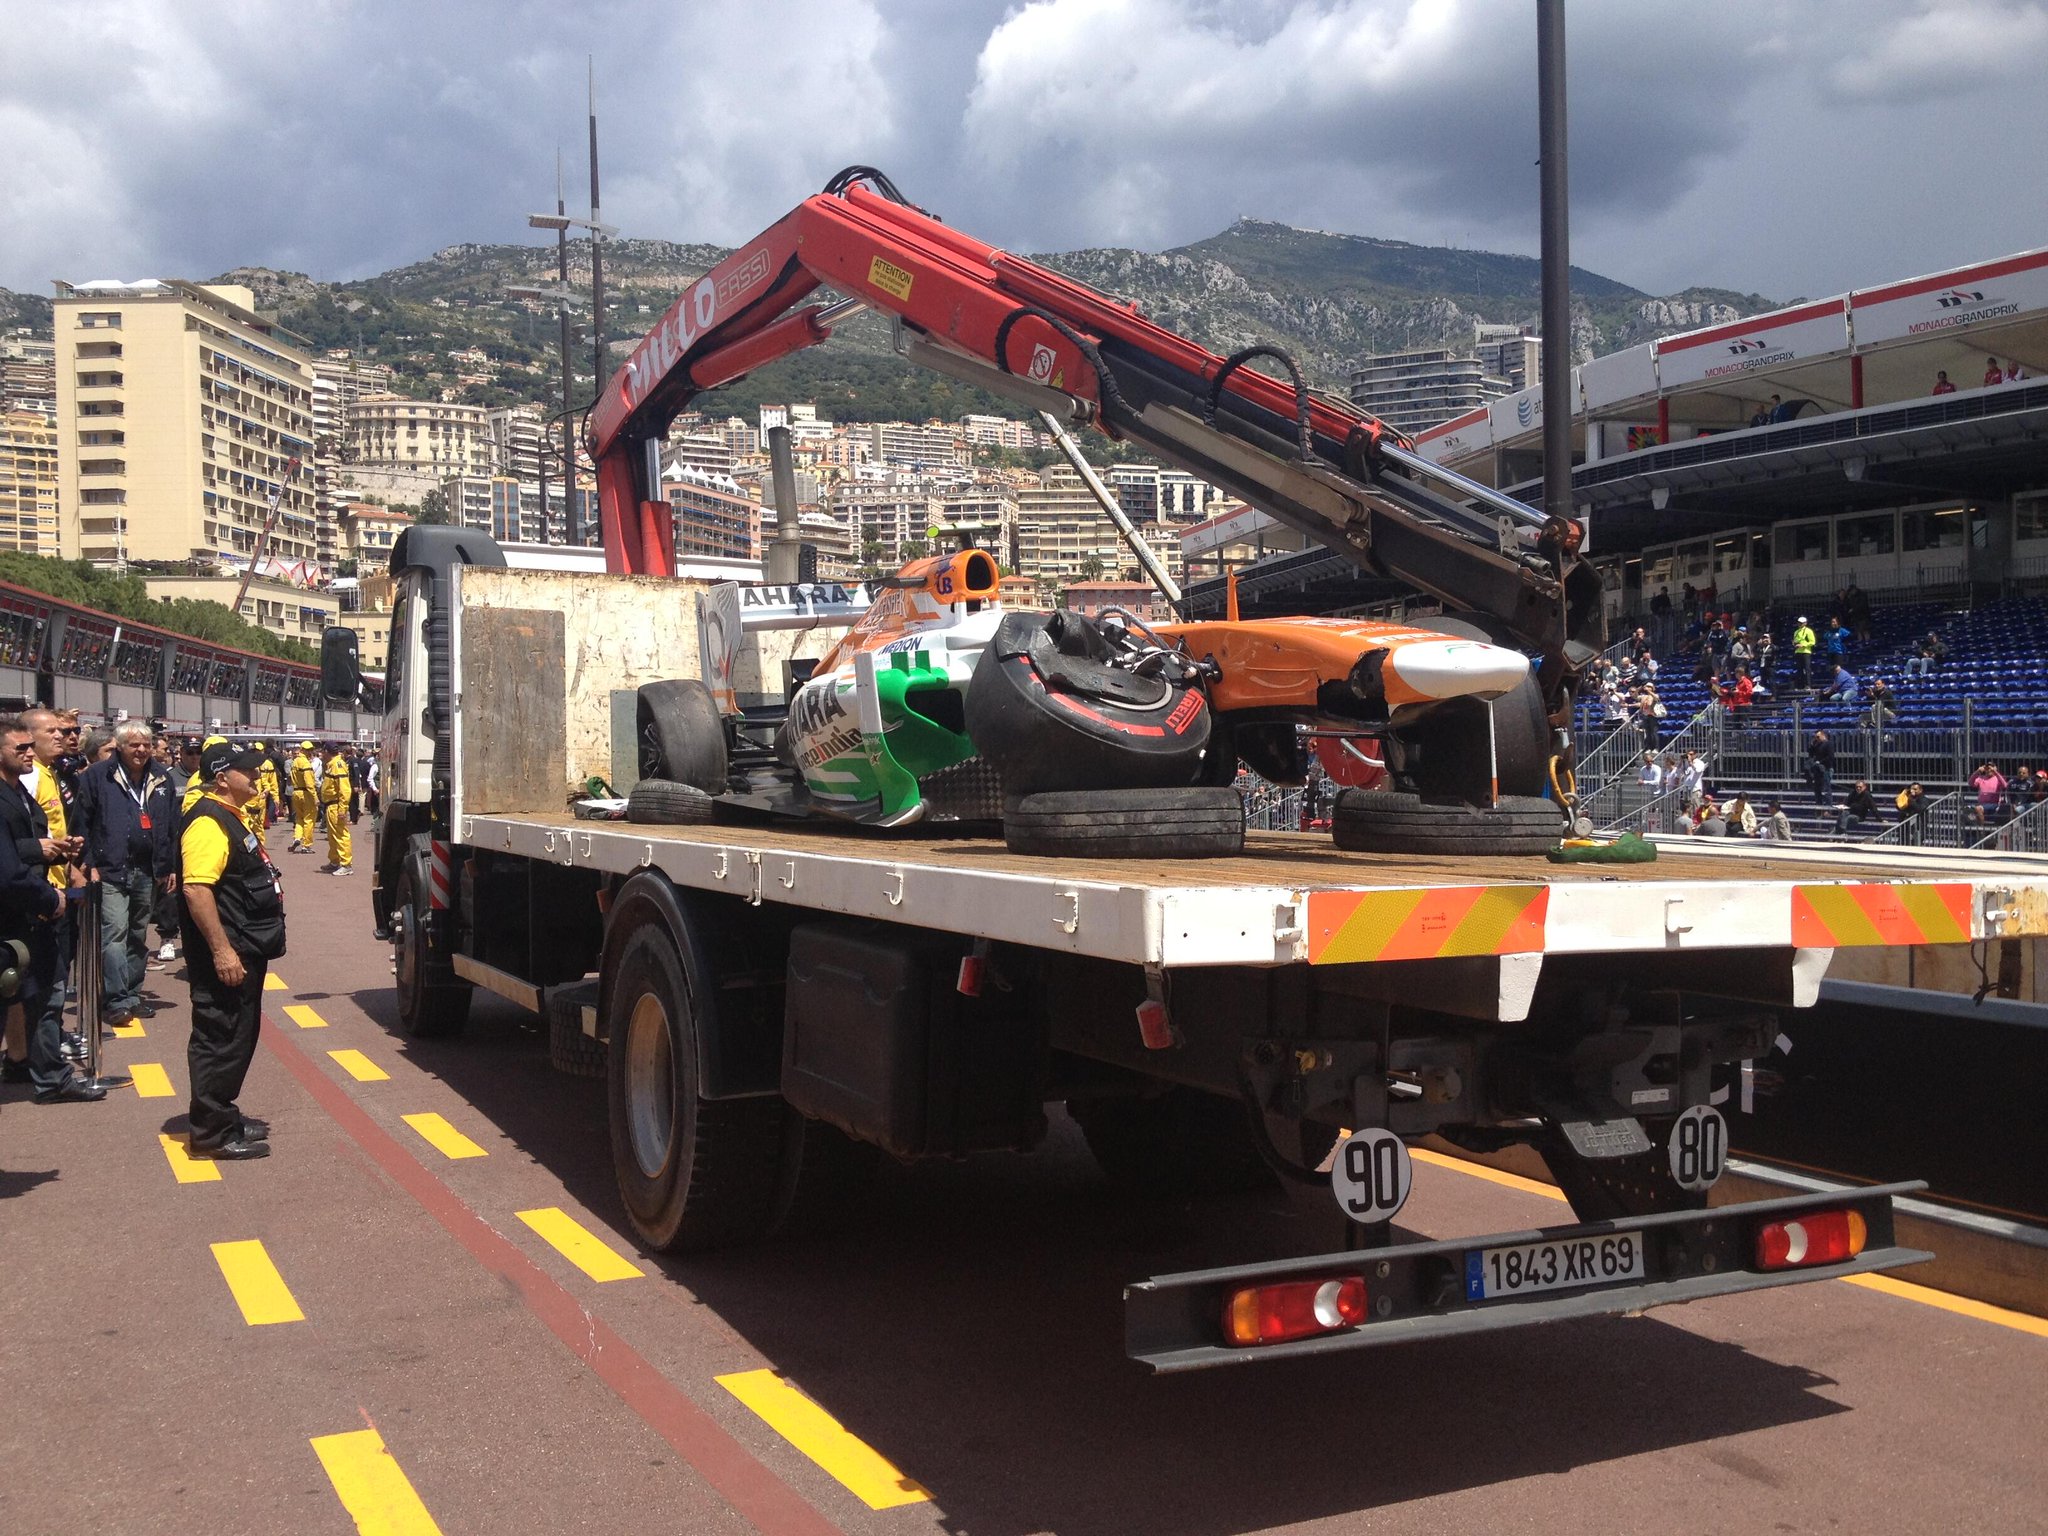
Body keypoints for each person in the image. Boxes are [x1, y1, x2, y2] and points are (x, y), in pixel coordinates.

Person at [179, 741, 285, 1159]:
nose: (257, 775)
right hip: (229, 952)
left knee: (237, 1034)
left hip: (245, 945)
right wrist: (223, 952)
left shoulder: (227, 814)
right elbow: (197, 889)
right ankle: (211, 1133)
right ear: (222, 778)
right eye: (248, 771)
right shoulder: (208, 821)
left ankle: (222, 1115)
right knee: (220, 1036)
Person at [0, 717, 103, 1101]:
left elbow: (23, 842)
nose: (29, 753)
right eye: (19, 748)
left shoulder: (21, 791)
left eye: (31, 746)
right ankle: (42, 1073)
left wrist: (57, 849)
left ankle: (49, 1076)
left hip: (32, 911)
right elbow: (7, 869)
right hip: (18, 913)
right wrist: (50, 898)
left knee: (47, 997)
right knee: (40, 995)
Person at [74, 721, 175, 1028]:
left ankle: (132, 995)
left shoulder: (162, 778)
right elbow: (82, 822)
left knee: (137, 934)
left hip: (148, 869)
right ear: (119, 746)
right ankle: (116, 1000)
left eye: (146, 744)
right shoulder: (97, 777)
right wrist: (86, 863)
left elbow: (171, 825)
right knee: (114, 933)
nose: (141, 750)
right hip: (110, 870)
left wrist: (170, 866)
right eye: (134, 745)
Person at [320, 743, 354, 876]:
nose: (322, 754)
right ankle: (335, 861)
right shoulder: (331, 764)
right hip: (330, 805)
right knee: (332, 836)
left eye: (323, 752)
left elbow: (344, 789)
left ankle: (346, 864)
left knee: (340, 835)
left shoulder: (337, 765)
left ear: (327, 751)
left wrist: (342, 809)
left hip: (336, 806)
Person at [287, 739, 319, 853]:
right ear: (303, 750)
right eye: (308, 750)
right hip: (306, 793)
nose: (310, 752)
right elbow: (309, 782)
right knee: (309, 819)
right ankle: (306, 845)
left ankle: (297, 837)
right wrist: (315, 797)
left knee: (299, 818)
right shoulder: (305, 763)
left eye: (311, 750)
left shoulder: (295, 761)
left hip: (296, 792)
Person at [254, 743, 282, 830]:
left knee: (259, 823)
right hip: (250, 795)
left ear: (262, 751)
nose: (256, 753)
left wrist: (276, 798)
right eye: (255, 751)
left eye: (258, 751)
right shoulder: (248, 763)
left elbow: (273, 782)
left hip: (262, 795)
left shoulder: (268, 764)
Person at [1806, 729, 1835, 807]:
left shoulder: (1828, 744)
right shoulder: (1816, 744)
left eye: (1818, 737)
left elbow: (1830, 757)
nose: (1816, 739)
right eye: (1815, 737)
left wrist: (1820, 762)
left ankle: (1828, 807)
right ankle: (1819, 806)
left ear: (1823, 735)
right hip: (1818, 769)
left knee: (1826, 789)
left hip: (1826, 769)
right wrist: (1812, 745)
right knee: (1817, 789)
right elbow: (1811, 754)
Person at [1791, 616, 1816, 689]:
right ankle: (1800, 685)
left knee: (1807, 669)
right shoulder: (1796, 632)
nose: (1800, 624)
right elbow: (1795, 641)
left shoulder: (1809, 631)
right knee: (1799, 669)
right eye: (1799, 623)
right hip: (1798, 652)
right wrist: (1794, 644)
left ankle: (1808, 685)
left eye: (1801, 623)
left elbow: (1813, 642)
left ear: (1805, 623)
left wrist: (1803, 645)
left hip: (1806, 652)